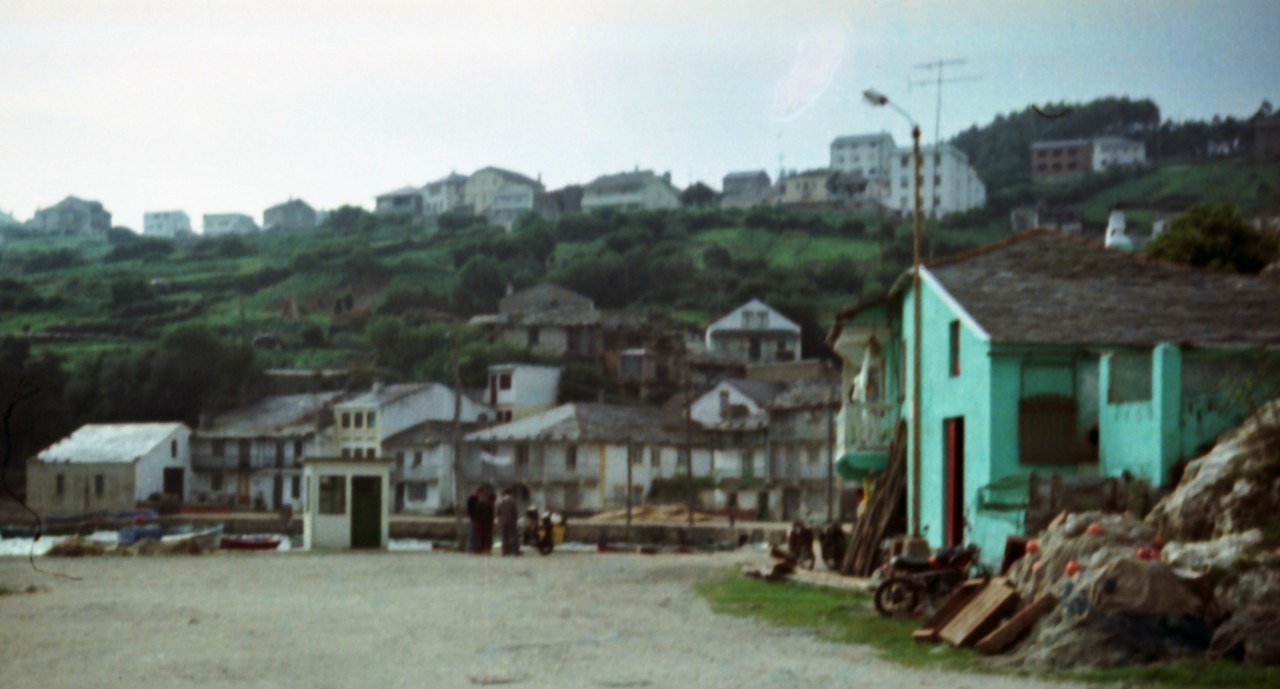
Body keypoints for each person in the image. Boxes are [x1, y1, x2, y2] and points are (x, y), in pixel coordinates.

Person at [497, 488, 520, 556]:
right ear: (510, 493)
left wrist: (500, 519)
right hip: (511, 521)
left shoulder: (500, 501)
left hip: (503, 521)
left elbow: (498, 512)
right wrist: (516, 519)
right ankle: (516, 551)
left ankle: (504, 551)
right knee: (514, 536)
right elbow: (515, 511)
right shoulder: (512, 501)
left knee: (504, 536)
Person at [465, 488, 482, 553]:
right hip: (473, 518)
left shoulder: (475, 499)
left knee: (475, 533)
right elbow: (471, 510)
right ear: (478, 492)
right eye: (480, 493)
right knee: (473, 533)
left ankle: (474, 547)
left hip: (475, 518)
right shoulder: (473, 499)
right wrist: (474, 518)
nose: (480, 495)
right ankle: (472, 547)